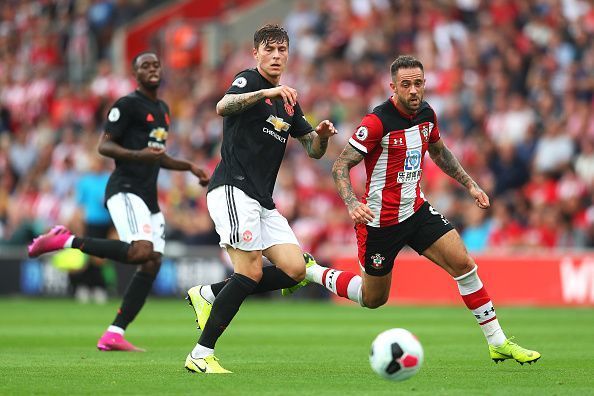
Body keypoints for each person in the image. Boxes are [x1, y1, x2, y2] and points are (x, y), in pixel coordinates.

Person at [284, 55, 541, 365]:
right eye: (406, 85)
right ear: (393, 87)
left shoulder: (427, 114)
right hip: (379, 222)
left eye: (418, 83)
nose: (413, 90)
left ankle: (497, 342)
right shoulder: (376, 122)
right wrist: (353, 204)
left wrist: (471, 185)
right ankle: (312, 270)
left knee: (465, 265)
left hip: (416, 210)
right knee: (373, 298)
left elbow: (439, 151)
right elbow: (340, 166)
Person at [27, 52, 210, 351]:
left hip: (149, 197)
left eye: (155, 64)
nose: (152, 69)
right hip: (125, 188)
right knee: (141, 251)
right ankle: (64, 241)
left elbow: (157, 154)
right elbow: (104, 146)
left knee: (152, 262)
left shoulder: (163, 109)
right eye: (144, 66)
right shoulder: (126, 105)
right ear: (134, 74)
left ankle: (114, 332)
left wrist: (188, 166)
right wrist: (138, 155)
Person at [183, 24, 337, 374]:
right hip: (233, 189)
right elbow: (223, 106)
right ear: (256, 54)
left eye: (282, 49)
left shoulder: (289, 102)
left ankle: (209, 293)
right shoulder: (249, 81)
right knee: (249, 272)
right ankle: (200, 354)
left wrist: (323, 136)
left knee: (296, 269)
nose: (277, 55)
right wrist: (266, 92)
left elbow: (313, 149)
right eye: (270, 49)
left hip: (262, 200)